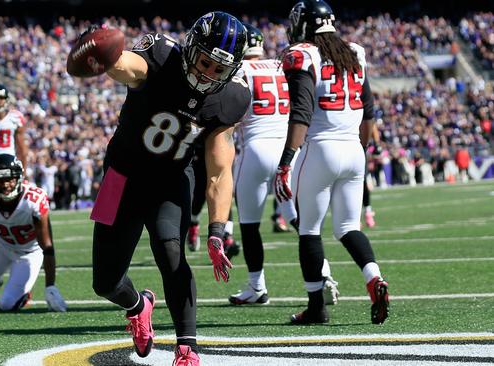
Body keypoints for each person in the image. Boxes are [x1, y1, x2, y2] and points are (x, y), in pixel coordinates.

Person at [79, 12, 250, 365]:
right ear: (192, 48)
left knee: (170, 251)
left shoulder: (230, 98)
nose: (208, 74)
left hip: (171, 178)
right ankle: (138, 306)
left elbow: (219, 171)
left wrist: (217, 228)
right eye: (205, 61)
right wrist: (105, 53)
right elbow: (126, 66)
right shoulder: (160, 55)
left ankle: (187, 348)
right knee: (105, 283)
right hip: (120, 175)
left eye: (220, 70)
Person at [275, 0, 389, 324]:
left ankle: (316, 307)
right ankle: (374, 278)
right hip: (354, 149)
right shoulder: (354, 52)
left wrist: (286, 162)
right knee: (347, 227)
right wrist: (361, 150)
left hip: (320, 148)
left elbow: (300, 112)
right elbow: (369, 110)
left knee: (309, 230)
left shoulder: (304, 54)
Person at [228, 23, 339, 306]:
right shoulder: (281, 65)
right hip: (287, 148)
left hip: (255, 149)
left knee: (250, 225)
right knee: (299, 220)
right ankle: (324, 271)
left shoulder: (238, 70)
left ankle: (257, 286)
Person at [0, 154, 67, 312]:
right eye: (1, 180)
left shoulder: (33, 200)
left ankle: (21, 293)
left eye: (10, 179)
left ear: (19, 178)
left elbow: (47, 246)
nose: (6, 184)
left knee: (7, 304)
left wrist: (50, 286)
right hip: (1, 246)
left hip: (29, 252)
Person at [187, 144, 238, 257]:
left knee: (223, 193)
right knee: (199, 193)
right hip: (200, 150)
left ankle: (227, 235)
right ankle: (193, 223)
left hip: (219, 148)